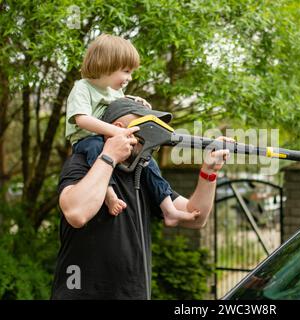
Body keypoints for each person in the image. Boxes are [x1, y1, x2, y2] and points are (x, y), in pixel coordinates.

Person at [52, 99, 231, 299]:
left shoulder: (143, 171)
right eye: (145, 123)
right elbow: (76, 213)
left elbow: (195, 217)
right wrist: (110, 156)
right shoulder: (82, 163)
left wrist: (209, 172)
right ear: (118, 128)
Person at [66, 33, 196, 225]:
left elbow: (119, 108)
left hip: (109, 138)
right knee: (96, 149)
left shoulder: (114, 90)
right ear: (106, 64)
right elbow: (82, 119)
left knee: (146, 159)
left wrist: (134, 100)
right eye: (126, 71)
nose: (129, 77)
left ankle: (168, 208)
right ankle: (109, 195)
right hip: (87, 139)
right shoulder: (82, 87)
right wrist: (116, 131)